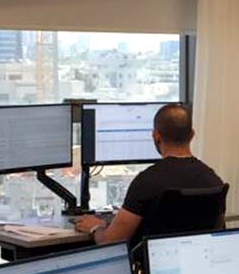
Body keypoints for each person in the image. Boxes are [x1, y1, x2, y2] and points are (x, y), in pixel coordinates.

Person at [74, 103, 223, 244]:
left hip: (151, 262)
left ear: (156, 136)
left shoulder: (147, 181)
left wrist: (96, 227)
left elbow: (111, 241)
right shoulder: (213, 180)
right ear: (192, 135)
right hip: (198, 260)